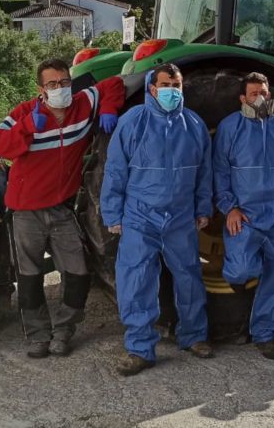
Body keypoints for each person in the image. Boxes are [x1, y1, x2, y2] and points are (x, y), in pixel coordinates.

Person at [0, 59, 125, 359]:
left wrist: (108, 108)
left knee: (78, 272)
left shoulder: (82, 103)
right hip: (26, 211)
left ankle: (64, 330)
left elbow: (114, 83)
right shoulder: (24, 113)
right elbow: (1, 145)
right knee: (29, 276)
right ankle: (39, 335)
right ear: (41, 89)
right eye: (52, 84)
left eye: (64, 82)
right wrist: (28, 128)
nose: (60, 89)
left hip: (61, 208)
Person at [100, 63, 214, 376]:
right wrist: (112, 213)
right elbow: (115, 171)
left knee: (189, 276)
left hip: (180, 217)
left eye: (176, 86)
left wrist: (203, 208)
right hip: (140, 216)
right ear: (152, 89)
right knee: (136, 281)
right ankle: (139, 348)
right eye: (166, 85)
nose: (172, 92)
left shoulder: (193, 125)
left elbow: (205, 172)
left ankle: (194, 335)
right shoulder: (133, 122)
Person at [212, 72, 274, 359]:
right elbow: (220, 172)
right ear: (242, 99)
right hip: (244, 216)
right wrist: (229, 208)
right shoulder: (229, 128)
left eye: (264, 91)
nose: (260, 97)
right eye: (253, 93)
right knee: (241, 270)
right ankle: (242, 306)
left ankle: (265, 333)